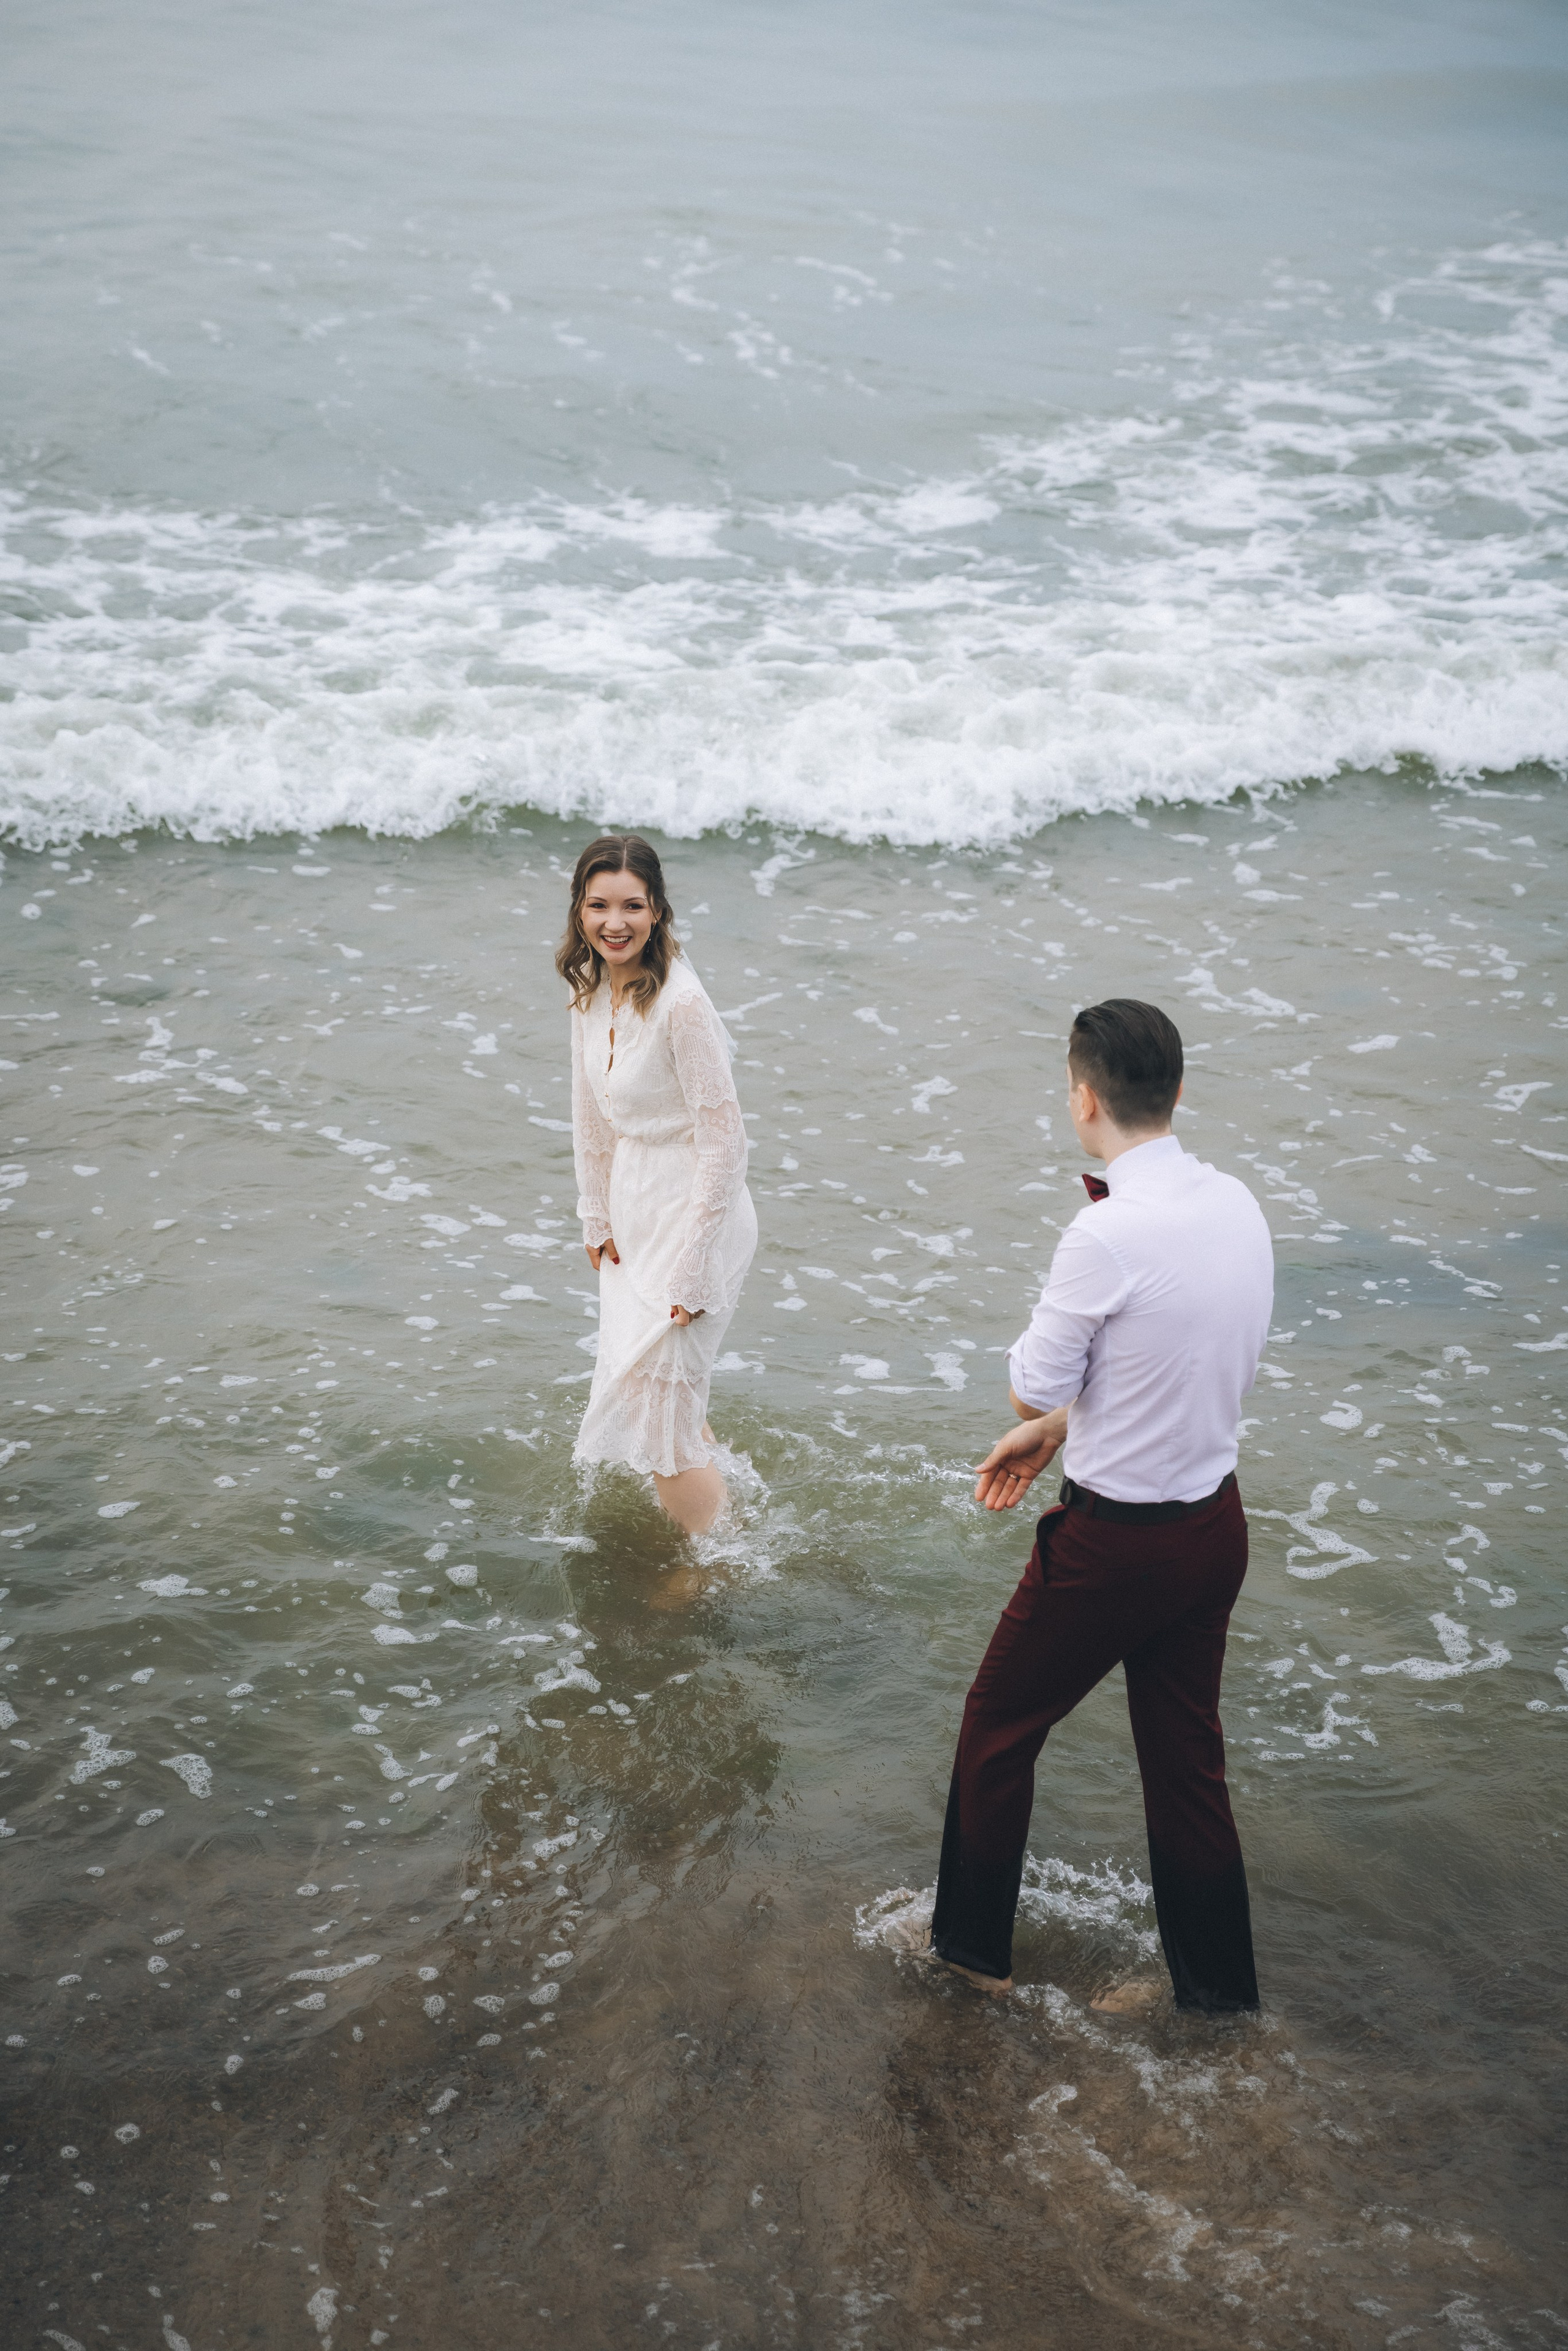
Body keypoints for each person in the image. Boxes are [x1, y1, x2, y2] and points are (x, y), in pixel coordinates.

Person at [926, 998, 1273, 2013]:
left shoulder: (1106, 1231)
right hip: (1213, 1528)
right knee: (1186, 1767)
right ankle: (1218, 1996)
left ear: (1083, 1096)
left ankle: (967, 1957)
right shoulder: (1238, 1203)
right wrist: (1069, 1427)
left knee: (996, 1729)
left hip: (1114, 1549)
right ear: (1176, 1090)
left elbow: (1030, 1382)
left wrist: (1047, 1414)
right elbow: (1192, 1358)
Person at [559, 833, 757, 1538]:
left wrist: (695, 1262)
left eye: (633, 906)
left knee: (660, 1420)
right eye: (599, 905)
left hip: (696, 1214)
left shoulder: (683, 1006)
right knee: (658, 1390)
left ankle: (717, 1562)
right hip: (634, 1212)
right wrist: (594, 1211)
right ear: (580, 912)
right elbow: (590, 1113)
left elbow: (726, 1141)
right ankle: (731, 1501)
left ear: (658, 910)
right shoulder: (589, 993)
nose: (615, 922)